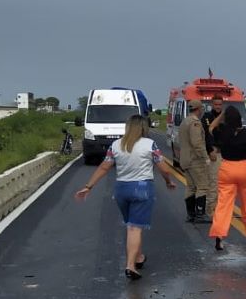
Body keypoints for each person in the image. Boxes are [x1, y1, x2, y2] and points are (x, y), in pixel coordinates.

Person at [74, 115, 176, 280]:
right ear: (143, 128)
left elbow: (104, 167)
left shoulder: (116, 145)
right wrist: (168, 181)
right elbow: (163, 168)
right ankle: (130, 266)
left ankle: (139, 257)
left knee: (132, 225)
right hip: (142, 188)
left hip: (121, 189)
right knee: (135, 227)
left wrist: (88, 186)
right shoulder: (149, 144)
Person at [208, 106, 246, 250]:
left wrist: (221, 115)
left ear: (226, 119)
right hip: (245, 168)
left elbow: (211, 127)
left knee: (224, 203)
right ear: (239, 119)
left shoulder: (222, 131)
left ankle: (219, 235)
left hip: (227, 168)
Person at [178, 99, 211, 222]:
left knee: (191, 187)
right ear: (198, 109)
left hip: (185, 159)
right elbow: (197, 143)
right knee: (202, 186)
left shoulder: (184, 121)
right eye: (202, 108)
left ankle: (191, 214)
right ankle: (200, 214)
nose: (202, 111)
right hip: (195, 159)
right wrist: (205, 157)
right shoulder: (195, 123)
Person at [201, 95, 224, 217]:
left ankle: (220, 208)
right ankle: (210, 209)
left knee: (224, 184)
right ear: (212, 104)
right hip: (214, 153)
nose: (218, 107)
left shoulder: (225, 118)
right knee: (213, 182)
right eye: (216, 104)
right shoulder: (207, 117)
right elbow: (204, 136)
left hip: (225, 154)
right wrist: (210, 150)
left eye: (220, 104)